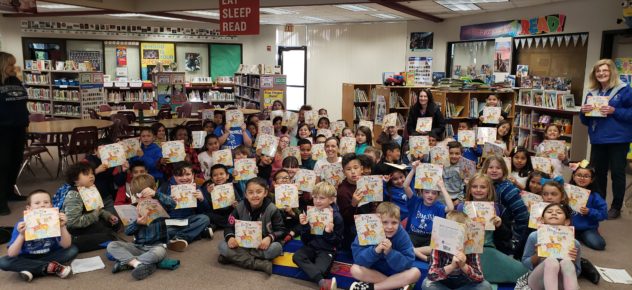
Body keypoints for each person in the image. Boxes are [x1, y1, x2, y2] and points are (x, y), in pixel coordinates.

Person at [579, 59, 632, 220]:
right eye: (598, 71)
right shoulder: (592, 92)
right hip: (598, 139)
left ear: (612, 72)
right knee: (599, 173)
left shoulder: (624, 90)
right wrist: (583, 111)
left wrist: (614, 110)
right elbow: (586, 121)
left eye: (605, 70)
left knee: (617, 173)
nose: (601, 73)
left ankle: (616, 207)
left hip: (619, 139)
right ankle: (600, 203)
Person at [457, 174, 528, 283]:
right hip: (466, 251)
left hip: (489, 250)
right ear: (469, 189)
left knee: (524, 273)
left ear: (489, 190)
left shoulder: (498, 209)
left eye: (483, 187)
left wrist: (499, 225)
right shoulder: (461, 207)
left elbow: (507, 236)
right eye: (474, 187)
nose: (478, 190)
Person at [0, 189, 78, 282]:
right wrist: (22, 235)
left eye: (46, 202)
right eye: (37, 203)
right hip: (27, 256)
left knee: (72, 250)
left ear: (51, 206)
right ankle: (51, 267)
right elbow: (11, 253)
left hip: (50, 253)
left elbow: (66, 245)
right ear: (28, 208)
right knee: (3, 262)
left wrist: (62, 226)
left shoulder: (56, 221)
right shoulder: (21, 225)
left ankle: (30, 268)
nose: (42, 205)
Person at [218, 177, 287, 275]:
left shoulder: (272, 209)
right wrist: (230, 238)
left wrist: (269, 238)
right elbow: (229, 226)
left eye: (259, 192)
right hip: (242, 244)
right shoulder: (239, 207)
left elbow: (281, 230)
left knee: (276, 248)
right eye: (250, 192)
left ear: (265, 193)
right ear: (246, 194)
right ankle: (258, 263)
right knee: (222, 246)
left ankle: (234, 258)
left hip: (262, 245)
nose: (255, 195)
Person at [107, 174, 168, 280]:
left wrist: (156, 194)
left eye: (145, 194)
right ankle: (140, 264)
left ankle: (128, 263)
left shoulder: (161, 204)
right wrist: (137, 224)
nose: (141, 198)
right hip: (138, 247)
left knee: (159, 252)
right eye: (138, 195)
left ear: (153, 189)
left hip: (156, 247)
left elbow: (173, 204)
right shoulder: (134, 208)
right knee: (111, 246)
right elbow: (128, 232)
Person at [349, 202, 421, 290]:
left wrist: (390, 253)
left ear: (399, 222)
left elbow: (408, 262)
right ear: (377, 221)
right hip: (373, 272)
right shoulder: (366, 231)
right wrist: (375, 250)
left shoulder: (402, 235)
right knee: (355, 269)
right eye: (385, 222)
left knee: (416, 272)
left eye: (394, 223)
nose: (389, 227)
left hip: (396, 273)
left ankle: (372, 288)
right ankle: (395, 286)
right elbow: (358, 259)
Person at [422, 211, 493, 290]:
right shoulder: (438, 246)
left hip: (465, 283)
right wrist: (452, 266)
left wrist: (464, 266)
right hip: (443, 282)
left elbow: (480, 277)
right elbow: (431, 275)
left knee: (485, 286)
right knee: (427, 284)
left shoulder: (471, 246)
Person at [293, 182, 344, 290]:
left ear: (331, 200)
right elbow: (305, 240)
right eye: (315, 197)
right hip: (311, 246)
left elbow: (338, 242)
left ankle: (319, 278)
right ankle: (322, 282)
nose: (317, 201)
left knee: (319, 271)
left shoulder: (337, 217)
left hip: (327, 250)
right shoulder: (310, 212)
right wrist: (305, 226)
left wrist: (328, 233)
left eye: (322, 198)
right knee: (297, 256)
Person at [521, 203, 581, 290]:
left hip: (561, 284)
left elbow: (578, 272)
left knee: (567, 262)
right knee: (551, 261)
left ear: (567, 222)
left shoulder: (574, 243)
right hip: (537, 282)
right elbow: (525, 264)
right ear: (541, 220)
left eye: (559, 212)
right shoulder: (534, 236)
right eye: (549, 212)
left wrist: (573, 261)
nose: (554, 213)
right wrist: (537, 255)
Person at [62, 163, 120, 253]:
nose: (91, 176)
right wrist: (95, 214)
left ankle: (97, 237)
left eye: (92, 173)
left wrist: (108, 216)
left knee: (115, 224)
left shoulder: (89, 189)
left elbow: (97, 209)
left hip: (89, 222)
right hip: (76, 230)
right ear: (75, 180)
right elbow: (73, 223)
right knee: (110, 237)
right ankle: (75, 242)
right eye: (86, 174)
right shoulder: (73, 195)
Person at [404, 161, 454, 261]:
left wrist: (442, 187)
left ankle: (412, 251)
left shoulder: (438, 207)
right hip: (413, 235)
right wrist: (414, 170)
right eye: (427, 192)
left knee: (436, 247)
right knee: (402, 242)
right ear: (421, 192)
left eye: (434, 193)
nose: (430, 195)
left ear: (438, 195)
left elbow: (451, 208)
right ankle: (421, 256)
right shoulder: (416, 201)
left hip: (429, 238)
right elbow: (405, 186)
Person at [480, 156, 529, 257]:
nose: (494, 170)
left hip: (505, 238)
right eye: (490, 167)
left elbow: (522, 215)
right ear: (485, 169)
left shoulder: (508, 189)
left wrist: (515, 239)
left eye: (498, 168)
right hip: (488, 237)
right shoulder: (484, 186)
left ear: (504, 170)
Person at [157, 162, 211, 251]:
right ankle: (198, 233)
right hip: (171, 222)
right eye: (180, 175)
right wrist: (167, 201)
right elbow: (158, 211)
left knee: (204, 219)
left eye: (188, 174)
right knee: (160, 230)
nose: (184, 178)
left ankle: (179, 237)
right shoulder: (165, 187)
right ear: (174, 176)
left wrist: (202, 200)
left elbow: (205, 210)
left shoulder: (197, 187)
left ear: (193, 175)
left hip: (189, 220)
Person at [0, 51, 29, 215]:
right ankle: (1, 201)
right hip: (3, 130)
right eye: (10, 64)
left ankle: (10, 192)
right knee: (2, 165)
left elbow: (22, 101)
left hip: (18, 128)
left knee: (15, 161)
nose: (14, 67)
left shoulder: (15, 80)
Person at [569, 165, 608, 251]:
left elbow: (604, 214)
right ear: (573, 176)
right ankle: (575, 237)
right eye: (579, 175)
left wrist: (590, 211)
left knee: (599, 244)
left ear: (592, 179)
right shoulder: (566, 192)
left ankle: (580, 236)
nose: (582, 178)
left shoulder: (595, 196)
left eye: (586, 176)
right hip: (567, 226)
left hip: (586, 228)